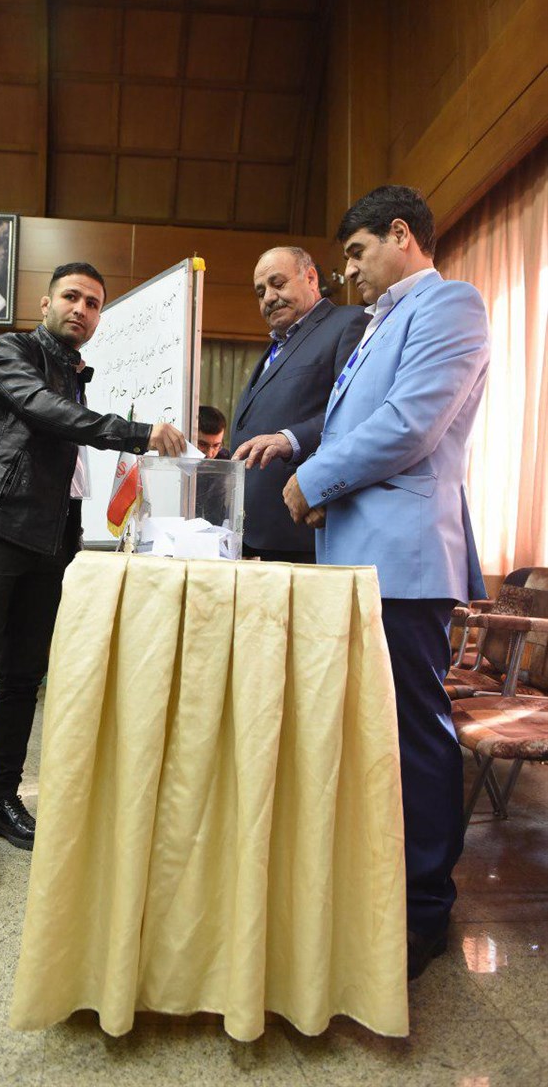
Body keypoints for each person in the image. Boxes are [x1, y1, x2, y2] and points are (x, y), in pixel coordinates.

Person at [244, 186, 490, 980]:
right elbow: (355, 421)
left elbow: (410, 423)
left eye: (355, 252)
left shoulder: (449, 304)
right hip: (355, 555)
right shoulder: (381, 320)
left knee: (413, 734)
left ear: (400, 235)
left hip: (403, 560)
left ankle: (423, 908)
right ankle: (376, 885)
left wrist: (312, 479)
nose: (347, 271)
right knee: (366, 732)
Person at [0, 261, 185, 885]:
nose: (82, 309)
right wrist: (138, 433)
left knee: (23, 679)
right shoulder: (10, 351)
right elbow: (44, 412)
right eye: (72, 297)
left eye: (94, 303)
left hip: (46, 540)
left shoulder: (75, 373)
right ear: (45, 303)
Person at [230, 247, 367, 561]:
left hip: (301, 530)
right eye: (260, 292)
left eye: (278, 284)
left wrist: (289, 440)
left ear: (311, 278)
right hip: (252, 535)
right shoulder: (275, 347)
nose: (269, 297)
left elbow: (353, 413)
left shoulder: (349, 323)